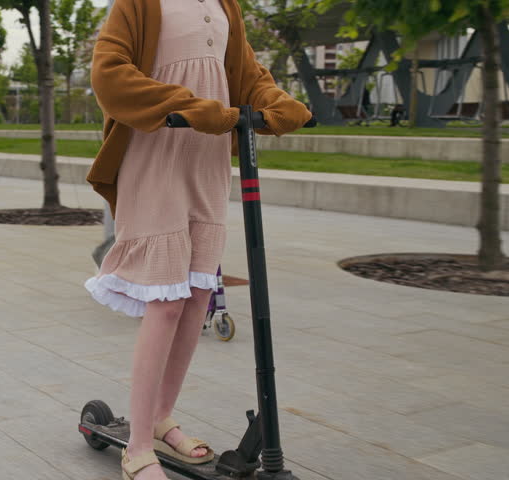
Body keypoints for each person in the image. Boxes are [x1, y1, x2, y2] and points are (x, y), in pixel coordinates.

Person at [83, 1, 311, 479]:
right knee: (166, 302)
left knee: (198, 294)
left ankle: (162, 418)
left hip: (207, 158)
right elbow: (109, 73)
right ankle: (138, 447)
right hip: (156, 150)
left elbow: (245, 72)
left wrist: (277, 102)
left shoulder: (224, 3)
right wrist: (187, 106)